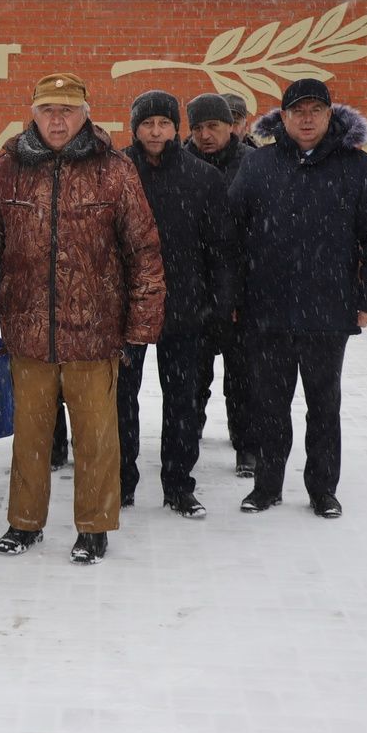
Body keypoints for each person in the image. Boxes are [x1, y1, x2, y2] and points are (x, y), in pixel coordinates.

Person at [0, 73, 166, 564]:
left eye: (67, 110)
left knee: (96, 439)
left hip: (95, 332)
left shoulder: (114, 170)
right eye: (47, 109)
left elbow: (144, 250)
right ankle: (24, 523)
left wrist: (140, 328)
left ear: (85, 114)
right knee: (30, 438)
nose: (57, 119)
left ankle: (94, 527)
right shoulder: (9, 166)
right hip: (28, 332)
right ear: (33, 112)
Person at [230, 78, 367, 518]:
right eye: (297, 111)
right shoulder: (259, 165)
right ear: (282, 118)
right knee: (269, 404)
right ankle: (266, 486)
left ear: (329, 115)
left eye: (315, 111)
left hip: (328, 308)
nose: (306, 119)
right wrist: (233, 297)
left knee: (324, 404)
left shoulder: (355, 166)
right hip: (267, 310)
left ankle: (323, 489)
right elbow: (231, 235)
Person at [122, 91, 234, 517]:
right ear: (134, 127)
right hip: (127, 306)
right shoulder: (116, 170)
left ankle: (178, 484)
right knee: (121, 400)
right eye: (147, 123)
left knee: (183, 400)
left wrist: (219, 305)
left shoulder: (202, 177)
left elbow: (222, 248)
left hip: (185, 307)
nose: (155, 131)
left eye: (163, 123)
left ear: (175, 128)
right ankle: (121, 480)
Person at [183, 93, 256, 480]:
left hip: (242, 291)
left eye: (213, 126)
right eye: (198, 128)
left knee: (243, 378)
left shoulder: (254, 166)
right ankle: (187, 439)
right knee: (193, 377)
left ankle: (247, 445)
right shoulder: (181, 164)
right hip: (193, 290)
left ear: (233, 126)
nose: (206, 135)